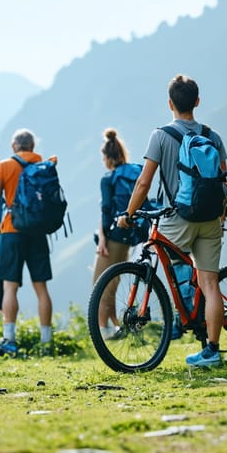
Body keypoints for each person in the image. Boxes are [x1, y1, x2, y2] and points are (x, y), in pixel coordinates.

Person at [117, 74, 227, 367]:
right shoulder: (212, 136)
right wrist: (221, 215)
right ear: (197, 102)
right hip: (210, 219)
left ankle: (182, 315)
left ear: (170, 104)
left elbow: (143, 183)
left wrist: (128, 215)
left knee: (151, 247)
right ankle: (211, 349)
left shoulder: (160, 135)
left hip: (177, 218)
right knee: (210, 282)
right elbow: (223, 181)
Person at [0, 129, 57, 356]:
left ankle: (10, 340)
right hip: (37, 231)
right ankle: (46, 343)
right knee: (41, 288)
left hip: (11, 231)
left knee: (9, 287)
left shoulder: (4, 166)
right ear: (32, 146)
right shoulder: (42, 164)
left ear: (14, 146)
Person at [93, 128, 139, 340]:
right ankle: (117, 326)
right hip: (129, 236)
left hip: (113, 237)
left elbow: (105, 212)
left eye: (103, 158)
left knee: (100, 285)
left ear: (108, 158)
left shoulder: (108, 178)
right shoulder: (134, 172)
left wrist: (102, 238)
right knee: (113, 282)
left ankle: (104, 333)